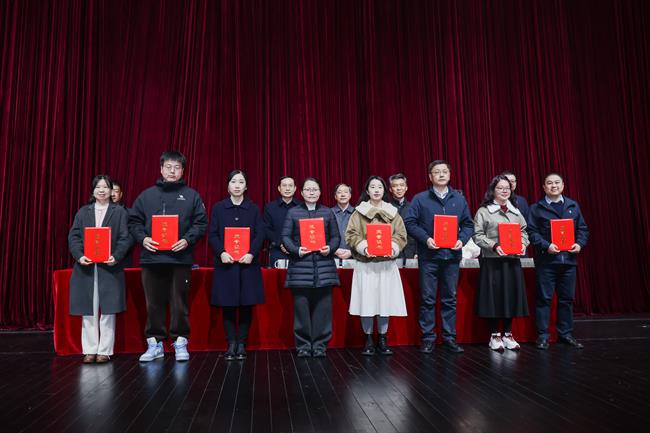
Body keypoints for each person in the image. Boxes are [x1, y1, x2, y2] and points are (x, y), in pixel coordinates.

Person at [129, 150, 208, 362]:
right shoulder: (146, 196)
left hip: (180, 259)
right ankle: (154, 344)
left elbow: (201, 223)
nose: (172, 171)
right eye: (168, 167)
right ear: (161, 169)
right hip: (151, 258)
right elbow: (133, 222)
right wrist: (143, 239)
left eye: (177, 167)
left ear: (182, 171)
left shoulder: (192, 196)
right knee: (153, 304)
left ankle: (180, 342)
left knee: (179, 303)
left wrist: (187, 240)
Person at [404, 160, 474, 353]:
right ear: (430, 176)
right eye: (437, 172)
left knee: (450, 299)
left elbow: (468, 224)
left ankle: (449, 338)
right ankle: (428, 338)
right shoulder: (420, 199)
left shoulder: (459, 199)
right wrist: (426, 239)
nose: (441, 175)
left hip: (452, 257)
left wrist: (462, 239)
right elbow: (410, 223)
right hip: (429, 257)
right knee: (427, 299)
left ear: (450, 175)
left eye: (444, 171)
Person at [68, 175, 132, 363]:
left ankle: (104, 350)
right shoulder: (83, 212)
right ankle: (89, 350)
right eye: (98, 187)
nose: (102, 190)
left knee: (108, 310)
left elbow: (125, 238)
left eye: (105, 187)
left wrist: (116, 256)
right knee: (88, 310)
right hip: (86, 268)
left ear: (112, 190)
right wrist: (80, 256)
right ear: (93, 190)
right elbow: (74, 237)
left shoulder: (119, 212)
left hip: (110, 267)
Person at [345, 176, 407, 355]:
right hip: (366, 265)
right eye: (372, 187)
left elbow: (401, 235)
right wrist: (364, 248)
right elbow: (351, 234)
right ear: (367, 191)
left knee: (384, 302)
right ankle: (368, 339)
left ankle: (382, 338)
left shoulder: (392, 212)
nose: (376, 190)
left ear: (384, 190)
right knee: (367, 302)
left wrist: (393, 248)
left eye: (379, 187)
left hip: (386, 265)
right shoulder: (359, 212)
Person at [528, 173, 589, 350]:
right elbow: (531, 232)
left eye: (557, 183)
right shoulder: (536, 208)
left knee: (566, 300)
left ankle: (566, 334)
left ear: (563, 185)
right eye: (549, 183)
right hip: (547, 262)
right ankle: (543, 336)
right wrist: (546, 245)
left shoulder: (572, 205)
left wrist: (579, 244)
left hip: (568, 262)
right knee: (544, 299)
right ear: (544, 187)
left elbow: (583, 229)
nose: (553, 186)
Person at [209, 170, 265, 361]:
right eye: (234, 181)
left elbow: (260, 234)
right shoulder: (218, 208)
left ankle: (241, 343)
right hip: (226, 264)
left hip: (248, 264)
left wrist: (251, 254)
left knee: (247, 304)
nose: (237, 185)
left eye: (241, 182)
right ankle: (231, 343)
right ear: (228, 186)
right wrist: (222, 252)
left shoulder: (253, 209)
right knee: (228, 304)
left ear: (246, 186)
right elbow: (212, 234)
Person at [282, 177, 340, 358]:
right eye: (308, 189)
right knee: (301, 311)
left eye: (315, 189)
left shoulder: (327, 212)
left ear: (320, 192)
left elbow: (336, 237)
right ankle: (304, 346)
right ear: (301, 192)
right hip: (300, 269)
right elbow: (285, 237)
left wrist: (329, 248)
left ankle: (320, 345)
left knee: (323, 310)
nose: (311, 192)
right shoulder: (293, 212)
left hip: (324, 269)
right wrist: (297, 250)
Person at [472, 175, 529, 351]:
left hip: (512, 260)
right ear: (493, 190)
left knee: (510, 296)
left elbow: (524, 232)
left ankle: (508, 334)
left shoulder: (516, 211)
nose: (504, 191)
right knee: (493, 298)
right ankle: (494, 335)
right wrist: (494, 246)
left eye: (507, 188)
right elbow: (477, 235)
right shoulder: (484, 211)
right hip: (492, 261)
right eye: (500, 188)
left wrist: (523, 244)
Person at [263, 176, 300, 267]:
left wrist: (293, 245)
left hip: (298, 250)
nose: (287, 188)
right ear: (279, 188)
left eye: (290, 185)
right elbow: (266, 229)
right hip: (277, 250)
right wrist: (281, 244)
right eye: (284, 185)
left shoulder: (301, 207)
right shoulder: (270, 207)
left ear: (295, 188)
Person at [388, 173, 417, 263]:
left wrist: (417, 252)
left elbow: (418, 231)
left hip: (410, 252)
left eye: (401, 185)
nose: (399, 188)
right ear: (390, 189)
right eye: (395, 186)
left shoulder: (413, 207)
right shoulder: (385, 207)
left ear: (406, 188)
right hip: (391, 252)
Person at [111, 180, 135, 267]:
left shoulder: (130, 213)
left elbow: (132, 237)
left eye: (116, 191)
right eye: (110, 191)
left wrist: (118, 253)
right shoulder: (98, 212)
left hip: (123, 258)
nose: (113, 194)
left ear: (121, 194)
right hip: (102, 257)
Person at [331, 183, 354, 265]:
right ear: (335, 196)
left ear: (350, 195)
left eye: (346, 192)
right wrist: (333, 249)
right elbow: (324, 235)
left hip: (353, 258)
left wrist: (352, 251)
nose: (343, 195)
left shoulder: (357, 213)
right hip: (332, 257)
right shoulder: (329, 213)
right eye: (339, 192)